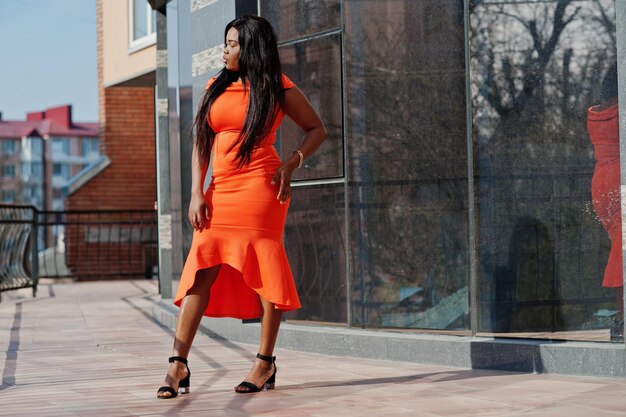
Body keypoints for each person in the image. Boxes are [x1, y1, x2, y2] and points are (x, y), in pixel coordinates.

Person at [156, 15, 327, 398]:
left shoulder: (276, 86)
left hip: (262, 188)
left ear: (249, 48)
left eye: (232, 43)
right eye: (225, 42)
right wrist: (196, 192)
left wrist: (291, 163)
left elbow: (317, 129)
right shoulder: (215, 86)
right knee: (202, 266)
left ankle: (264, 362)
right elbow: (201, 140)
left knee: (265, 267)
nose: (225, 49)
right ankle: (177, 364)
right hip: (222, 189)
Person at [588, 63, 622, 340]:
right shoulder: (619, 113)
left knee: (621, 248)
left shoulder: (600, 112)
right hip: (619, 181)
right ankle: (622, 320)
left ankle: (621, 319)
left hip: (603, 184)